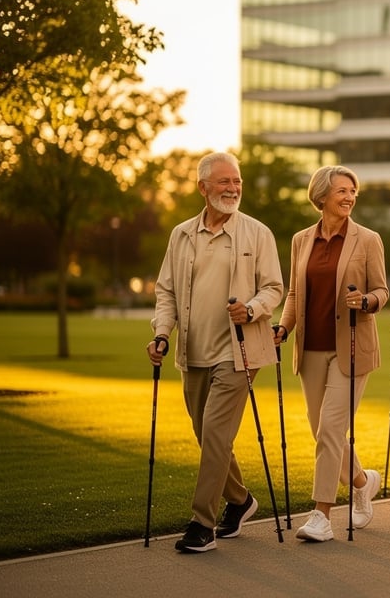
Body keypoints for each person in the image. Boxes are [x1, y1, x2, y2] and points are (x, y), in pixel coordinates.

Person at [146, 152, 284, 553]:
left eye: (236, 181)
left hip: (240, 352)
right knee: (205, 434)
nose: (233, 188)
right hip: (193, 352)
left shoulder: (258, 233)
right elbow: (166, 291)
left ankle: (201, 523)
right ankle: (240, 501)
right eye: (224, 182)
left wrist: (253, 309)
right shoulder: (182, 234)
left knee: (216, 433)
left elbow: (274, 287)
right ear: (203, 187)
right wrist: (161, 333)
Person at [275, 164, 389, 541]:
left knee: (330, 430)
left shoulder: (367, 239)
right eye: (342, 190)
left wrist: (366, 300)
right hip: (310, 349)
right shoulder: (301, 240)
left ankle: (321, 516)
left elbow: (382, 292)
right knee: (323, 433)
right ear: (321, 195)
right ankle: (361, 482)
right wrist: (283, 327)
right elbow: (294, 293)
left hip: (352, 348)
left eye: (353, 191)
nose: (350, 197)